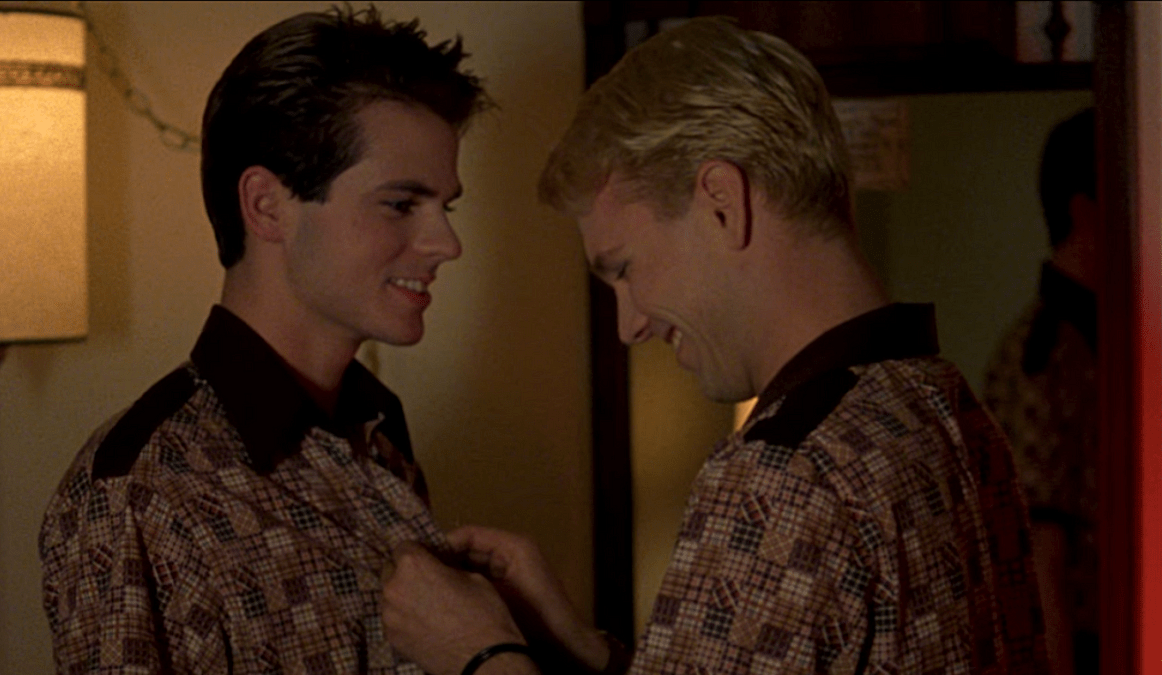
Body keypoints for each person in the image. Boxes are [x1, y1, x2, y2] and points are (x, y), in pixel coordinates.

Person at [381, 17, 1050, 675]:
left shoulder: (782, 476)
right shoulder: (948, 406)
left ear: (723, 203)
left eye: (625, 268)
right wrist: (580, 649)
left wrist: (481, 656)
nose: (630, 324)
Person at [38, 6, 488, 672]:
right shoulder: (138, 488)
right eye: (401, 204)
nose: (445, 243)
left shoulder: (380, 440)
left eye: (443, 208)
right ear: (267, 205)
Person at [984, 108, 1098, 675]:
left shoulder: (1090, 340)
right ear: (1085, 210)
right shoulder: (1043, 355)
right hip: (1082, 647)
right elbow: (1037, 552)